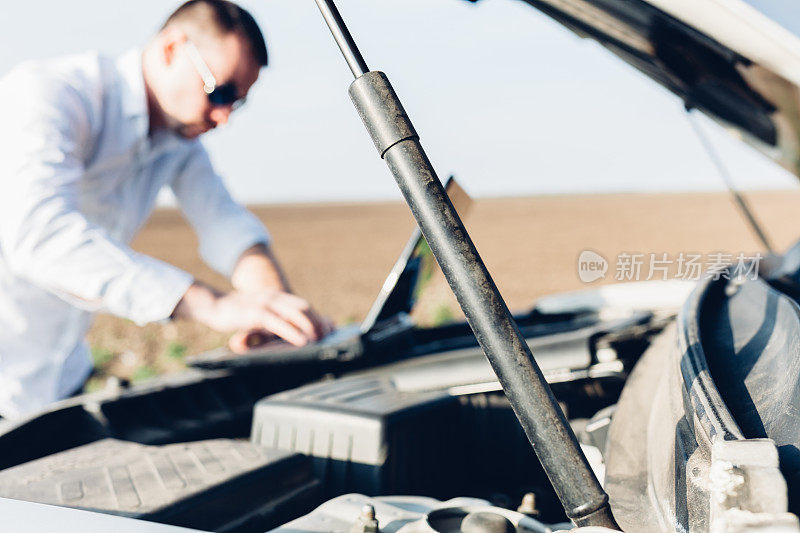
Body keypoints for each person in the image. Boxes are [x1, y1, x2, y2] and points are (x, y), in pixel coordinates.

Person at [0, 0, 332, 419]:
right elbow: (41, 237)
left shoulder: (178, 142)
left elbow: (224, 222)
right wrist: (213, 305)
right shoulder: (50, 96)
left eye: (238, 103)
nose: (225, 117)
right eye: (221, 91)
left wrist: (275, 309)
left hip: (60, 386)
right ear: (172, 49)